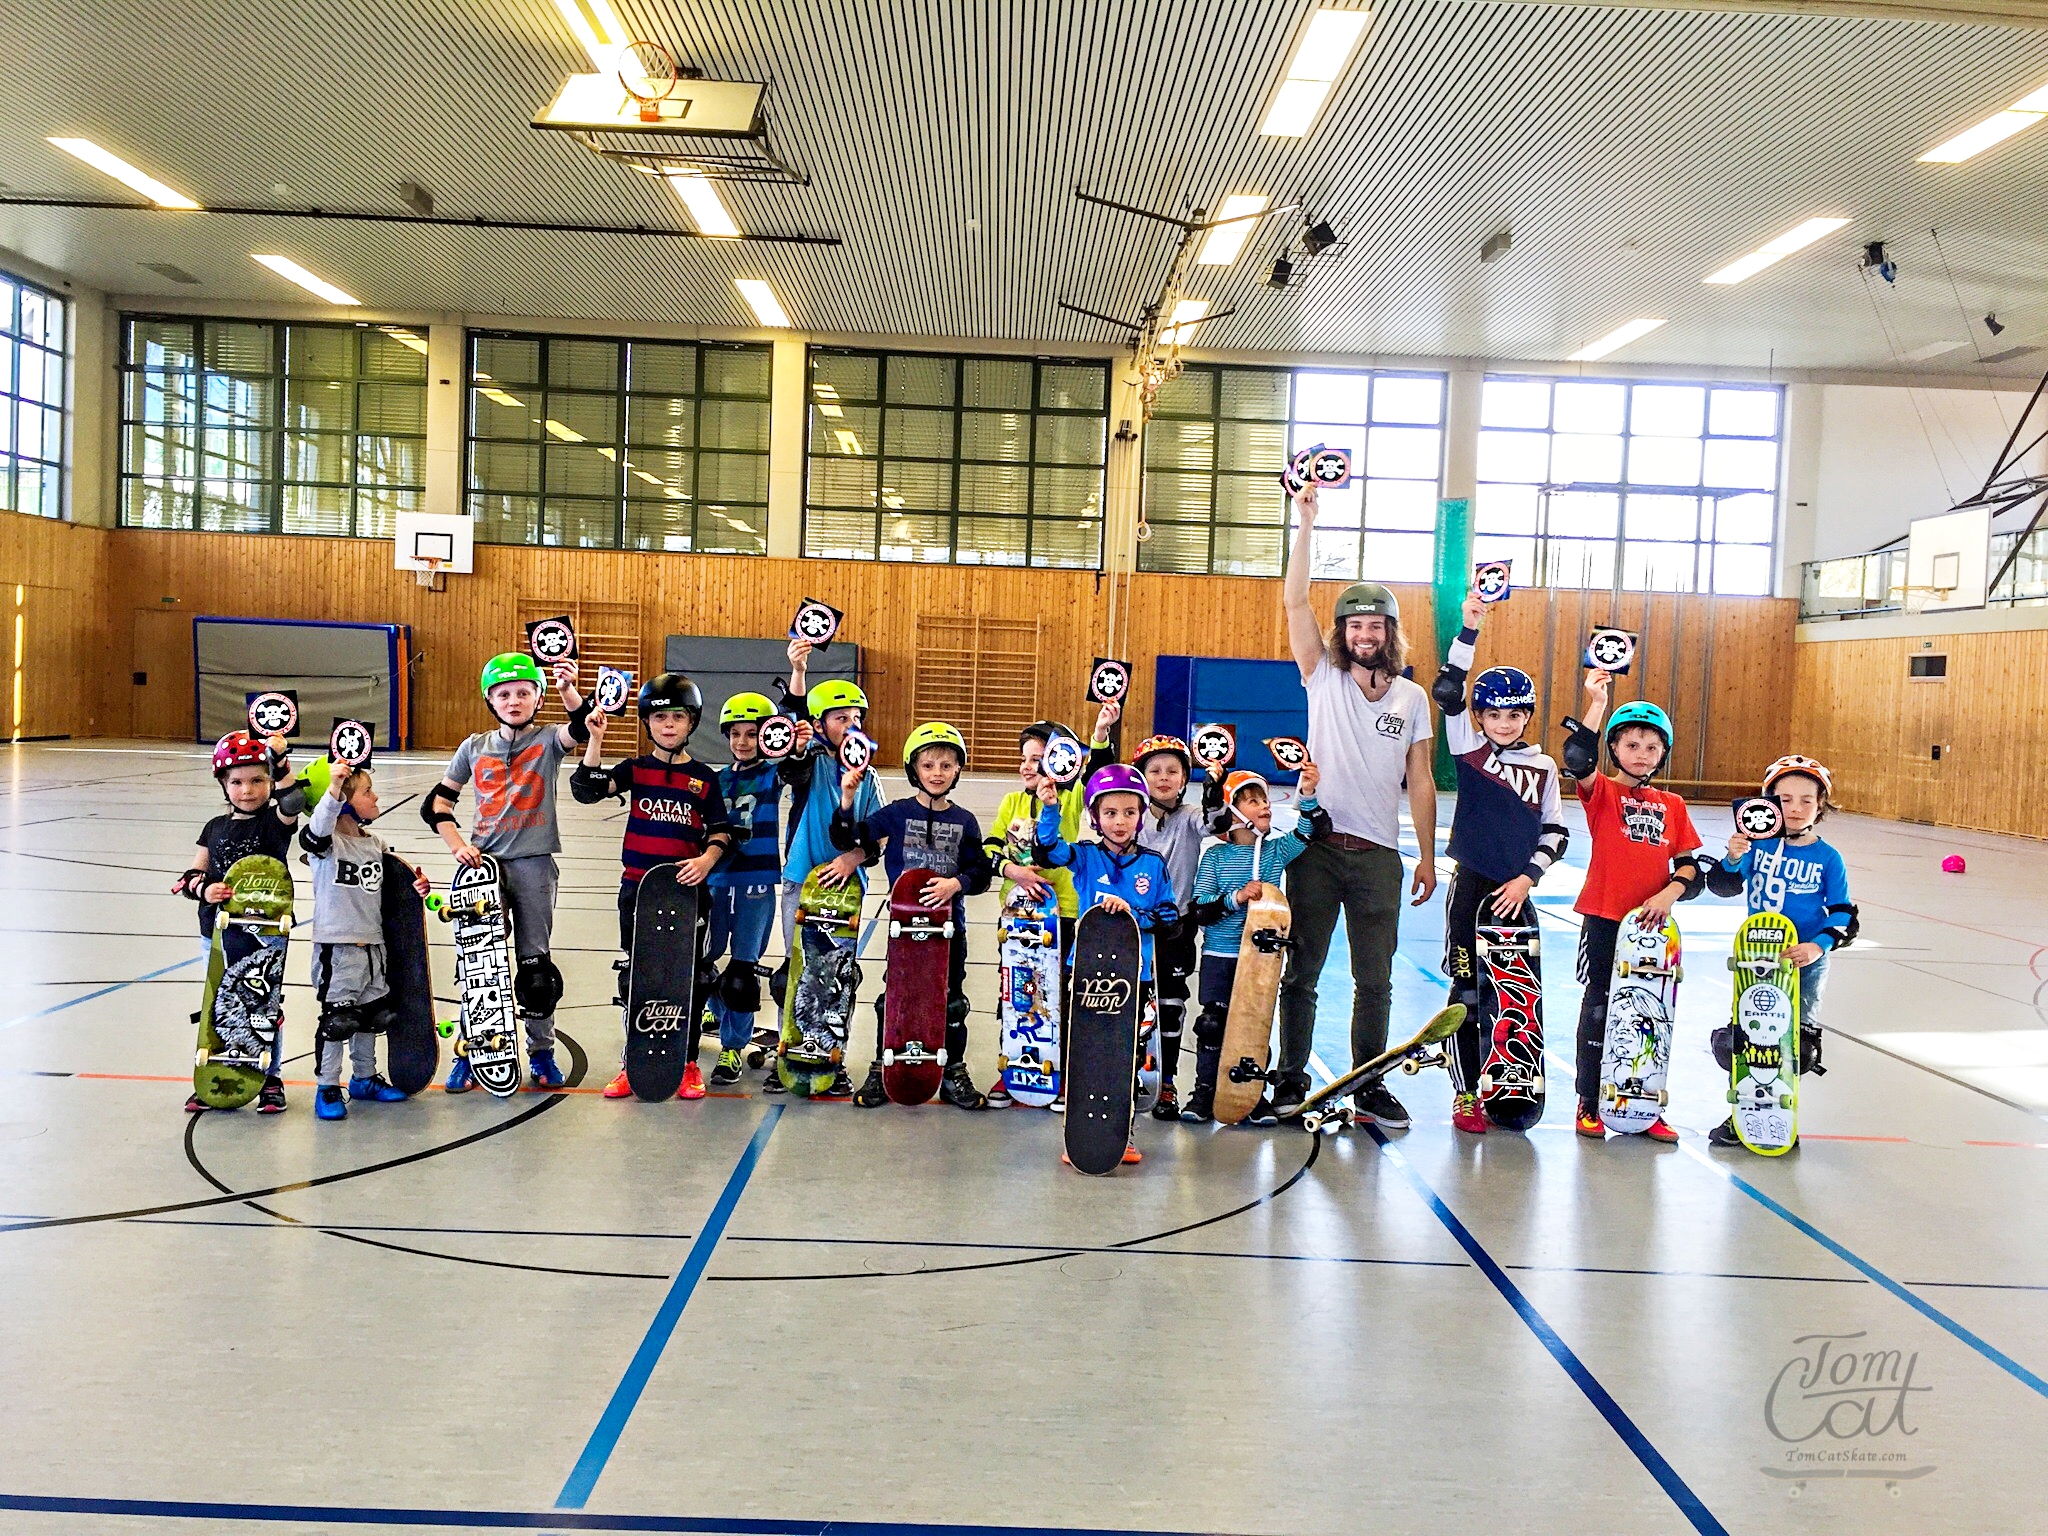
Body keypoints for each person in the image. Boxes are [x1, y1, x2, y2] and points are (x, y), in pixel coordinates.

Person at [1276, 481, 1438, 1126]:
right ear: (1342, 631)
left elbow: (1421, 782)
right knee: (1301, 974)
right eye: (1354, 623)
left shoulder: (1410, 697)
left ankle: (1368, 1084)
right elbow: (1293, 602)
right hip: (1315, 850)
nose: (1364, 633)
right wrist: (1306, 523)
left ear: (1390, 632)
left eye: (1375, 624)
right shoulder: (1323, 676)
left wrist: (1426, 857)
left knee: (1376, 982)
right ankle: (1288, 1078)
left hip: (1378, 857)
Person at [1429, 589, 1569, 1135]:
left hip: (1518, 895)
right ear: (1481, 717)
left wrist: (1528, 878)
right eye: (1493, 713)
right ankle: (1465, 1093)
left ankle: (1510, 1090)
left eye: (1514, 714)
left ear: (1526, 716)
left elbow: (1556, 831)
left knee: (1516, 1002)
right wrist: (1469, 630)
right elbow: (1447, 692)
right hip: (1472, 888)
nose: (1504, 722)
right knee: (1466, 993)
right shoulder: (1468, 747)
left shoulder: (1544, 767)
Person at [423, 653, 591, 1093]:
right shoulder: (473, 747)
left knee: (536, 971)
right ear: (489, 700)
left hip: (534, 865)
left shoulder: (548, 740)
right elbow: (437, 805)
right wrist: (458, 845)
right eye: (504, 694)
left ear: (537, 696)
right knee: (478, 969)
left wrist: (568, 687)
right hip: (484, 869)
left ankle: (542, 1053)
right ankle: (472, 1053)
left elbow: (581, 725)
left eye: (523, 692)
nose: (514, 700)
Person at [571, 674, 733, 1101]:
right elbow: (587, 791)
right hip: (638, 888)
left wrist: (706, 860)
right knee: (636, 976)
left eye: (677, 717)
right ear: (647, 721)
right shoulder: (636, 770)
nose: (668, 725)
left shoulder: (704, 777)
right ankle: (633, 1061)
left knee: (691, 979)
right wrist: (595, 741)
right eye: (660, 717)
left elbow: (720, 831)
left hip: (687, 891)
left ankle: (689, 1061)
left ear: (691, 723)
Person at [1562, 669, 1706, 1141]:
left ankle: (1644, 1107)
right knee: (1601, 1008)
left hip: (1653, 927)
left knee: (1651, 1014)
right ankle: (1590, 1101)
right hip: (1605, 917)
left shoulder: (1674, 804)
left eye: (1651, 747)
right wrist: (1597, 703)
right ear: (1616, 750)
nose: (1642, 754)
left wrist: (1668, 894)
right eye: (1631, 745)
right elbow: (1576, 756)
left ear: (1663, 753)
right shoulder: (1602, 792)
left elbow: (1690, 869)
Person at [832, 722, 997, 1110]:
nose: (937, 773)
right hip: (902, 930)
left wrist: (955, 884)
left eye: (946, 765)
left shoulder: (965, 820)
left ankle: (953, 1071)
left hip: (948, 928)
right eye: (928, 765)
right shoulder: (895, 814)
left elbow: (981, 874)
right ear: (914, 770)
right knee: (895, 998)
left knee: (951, 1000)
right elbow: (846, 840)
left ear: (958, 770)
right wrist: (847, 799)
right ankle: (881, 1068)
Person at [1704, 755, 1857, 1147]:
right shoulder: (1756, 847)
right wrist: (1734, 856)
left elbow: (1843, 916)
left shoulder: (1828, 857)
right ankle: (1742, 1117)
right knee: (1746, 1040)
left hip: (1804, 964)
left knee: (1795, 1047)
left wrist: (1818, 947)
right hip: (1757, 960)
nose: (1795, 808)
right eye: (1785, 799)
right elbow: (1722, 885)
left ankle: (1780, 1113)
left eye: (1807, 799)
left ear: (1821, 804)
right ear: (1769, 802)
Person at [1033, 764, 1182, 1165]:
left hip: (1136, 978)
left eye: (1130, 812)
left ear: (1142, 814)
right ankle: (1078, 1134)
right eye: (1111, 813)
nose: (1120, 821)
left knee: (1125, 1054)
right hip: (1085, 975)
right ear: (1095, 817)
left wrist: (1132, 912)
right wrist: (1049, 808)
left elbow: (1170, 920)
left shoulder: (1153, 863)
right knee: (1085, 1052)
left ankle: (1122, 1133)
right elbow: (1046, 851)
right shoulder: (1084, 857)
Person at [979, 706, 1120, 1108]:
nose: (1027, 767)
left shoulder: (1073, 796)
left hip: (1066, 911)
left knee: (1060, 994)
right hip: (1018, 911)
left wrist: (1099, 734)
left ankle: (1059, 1074)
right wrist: (1014, 871)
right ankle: (1010, 1072)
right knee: (1015, 994)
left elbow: (1098, 776)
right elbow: (989, 850)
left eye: (1037, 759)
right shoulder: (1010, 802)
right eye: (1023, 758)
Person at [1183, 766, 1329, 1125]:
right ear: (1232, 812)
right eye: (1252, 801)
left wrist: (1307, 794)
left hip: (1261, 959)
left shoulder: (1275, 852)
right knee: (1213, 1024)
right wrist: (1235, 898)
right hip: (1221, 955)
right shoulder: (1215, 857)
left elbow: (1312, 831)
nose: (1264, 806)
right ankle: (1204, 1091)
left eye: (1264, 799)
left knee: (1255, 1023)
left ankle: (1253, 1094)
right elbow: (1201, 910)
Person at [173, 730, 304, 1114]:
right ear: (223, 784)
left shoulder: (274, 822)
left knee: (264, 1004)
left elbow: (294, 800)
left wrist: (279, 761)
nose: (247, 790)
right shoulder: (214, 827)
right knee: (219, 1001)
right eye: (237, 781)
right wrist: (203, 889)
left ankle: (271, 1078)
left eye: (257, 780)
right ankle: (216, 1072)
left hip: (265, 931)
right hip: (216, 928)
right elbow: (190, 875)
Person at [775, 639, 881, 1098]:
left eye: (857, 719)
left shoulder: (869, 776)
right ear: (820, 726)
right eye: (841, 719)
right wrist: (798, 670)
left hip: (846, 886)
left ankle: (831, 1060)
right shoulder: (810, 761)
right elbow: (790, 758)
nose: (851, 725)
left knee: (836, 975)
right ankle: (789, 1055)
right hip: (804, 878)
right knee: (797, 970)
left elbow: (875, 837)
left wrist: (852, 857)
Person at [298, 764, 433, 1121]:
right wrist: (336, 785)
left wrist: (415, 887)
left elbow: (394, 887)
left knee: (374, 1017)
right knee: (338, 1020)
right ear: (342, 801)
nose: (375, 797)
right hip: (337, 947)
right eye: (367, 791)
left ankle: (364, 1077)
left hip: (374, 945)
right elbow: (316, 830)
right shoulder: (325, 845)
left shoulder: (375, 844)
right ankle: (327, 1085)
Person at [1128, 734, 1225, 1120]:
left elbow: (1216, 823)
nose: (1164, 777)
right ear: (1141, 777)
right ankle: (1129, 1074)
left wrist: (1214, 787)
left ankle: (1167, 1082)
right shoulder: (1131, 816)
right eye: (1154, 771)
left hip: (1177, 926)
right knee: (1130, 1003)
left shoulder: (1189, 816)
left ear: (1185, 778)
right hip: (1134, 925)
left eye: (1173, 771)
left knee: (1171, 1006)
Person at [704, 691, 784, 1086]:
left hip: (755, 882)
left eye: (752, 734)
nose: (742, 741)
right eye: (735, 733)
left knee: (741, 971)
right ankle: (712, 1006)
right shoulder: (717, 780)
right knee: (706, 960)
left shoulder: (773, 775)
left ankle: (732, 1048)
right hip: (717, 879)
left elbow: (795, 758)